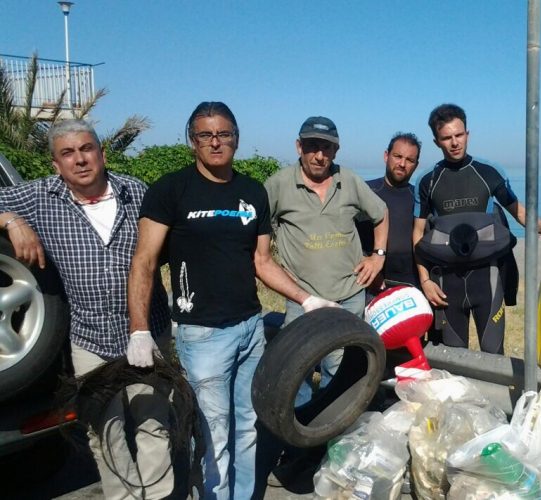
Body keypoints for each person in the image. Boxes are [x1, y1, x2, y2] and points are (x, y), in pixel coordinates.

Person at [128, 102, 331, 499]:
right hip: (202, 335)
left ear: (236, 138)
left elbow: (262, 261)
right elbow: (144, 261)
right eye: (206, 134)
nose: (215, 141)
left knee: (248, 429)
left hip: (250, 329)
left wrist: (308, 299)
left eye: (224, 133)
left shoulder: (251, 191)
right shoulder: (170, 189)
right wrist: (139, 329)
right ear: (192, 142)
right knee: (212, 435)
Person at [0, 119, 174, 498]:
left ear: (101, 153)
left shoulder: (136, 191)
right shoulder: (38, 197)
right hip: (90, 339)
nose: (79, 160)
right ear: (55, 164)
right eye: (68, 153)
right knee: (104, 430)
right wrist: (11, 220)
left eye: (86, 149)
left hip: (149, 329)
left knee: (154, 423)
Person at [414, 103, 541, 354]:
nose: (455, 142)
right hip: (446, 284)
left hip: (487, 279)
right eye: (447, 137)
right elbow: (418, 235)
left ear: (468, 134)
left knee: (493, 354)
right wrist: (425, 280)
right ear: (437, 142)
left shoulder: (488, 172)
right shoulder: (428, 181)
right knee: (456, 361)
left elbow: (520, 213)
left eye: (459, 135)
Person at [264, 116, 387, 401]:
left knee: (341, 370)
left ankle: (334, 434)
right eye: (312, 146)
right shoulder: (278, 185)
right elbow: (257, 233)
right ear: (299, 146)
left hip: (349, 294)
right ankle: (301, 434)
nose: (319, 156)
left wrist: (377, 256)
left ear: (336, 150)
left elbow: (381, 214)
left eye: (327, 148)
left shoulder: (349, 180)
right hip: (301, 299)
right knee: (297, 371)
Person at [357, 132, 422, 294]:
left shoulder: (420, 198)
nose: (402, 164)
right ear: (386, 156)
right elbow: (346, 235)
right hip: (369, 283)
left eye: (409, 160)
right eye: (397, 156)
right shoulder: (365, 192)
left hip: (411, 285)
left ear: (416, 164)